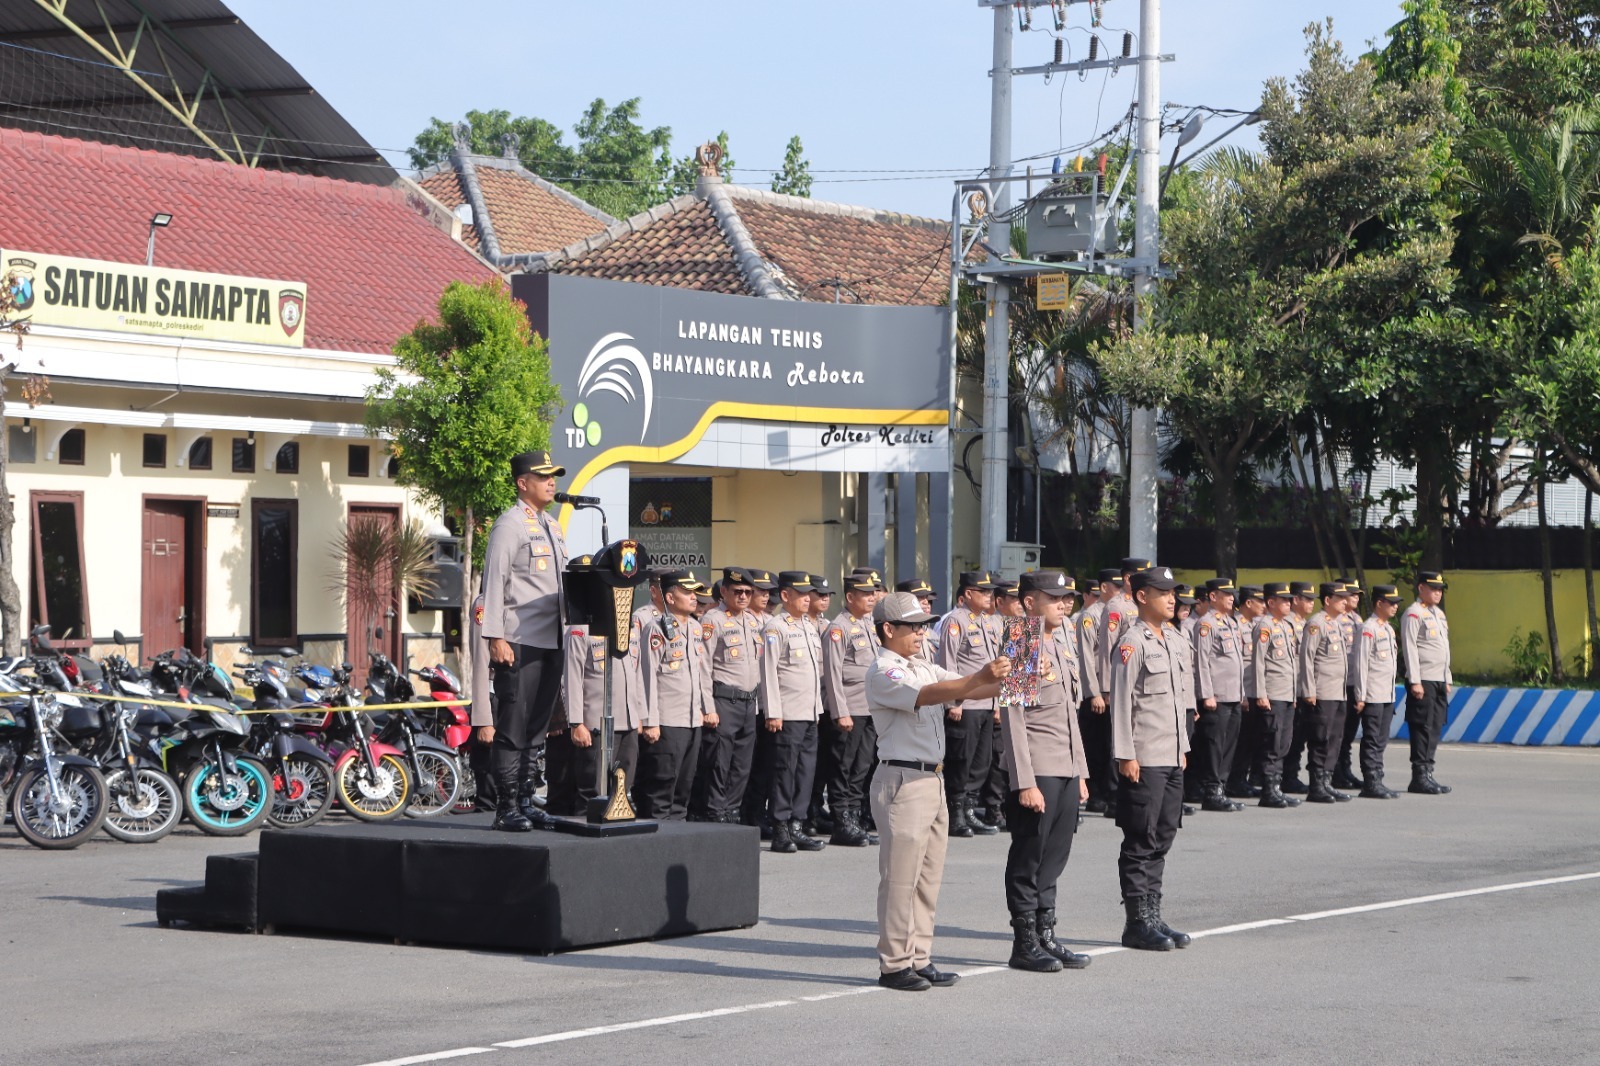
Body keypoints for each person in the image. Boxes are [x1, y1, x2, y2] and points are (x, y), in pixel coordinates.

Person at [866, 591, 1011, 992]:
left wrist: (1012, 678)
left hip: (933, 779)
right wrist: (980, 677)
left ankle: (919, 957)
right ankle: (894, 964)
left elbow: (967, 689)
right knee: (900, 879)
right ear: (888, 629)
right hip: (903, 780)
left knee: (927, 878)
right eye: (912, 626)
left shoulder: (921, 666)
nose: (919, 632)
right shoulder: (884, 670)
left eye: (922, 625)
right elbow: (931, 695)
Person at [1001, 571, 1091, 973]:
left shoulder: (1064, 640)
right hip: (1037, 770)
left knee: (1054, 857)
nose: (1064, 603)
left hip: (1066, 768)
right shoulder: (1021, 638)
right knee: (1029, 857)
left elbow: (1071, 715)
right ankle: (1024, 943)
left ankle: (1046, 935)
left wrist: (1082, 773)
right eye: (1054, 597)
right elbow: (1013, 718)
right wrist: (1024, 782)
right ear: (1029, 602)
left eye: (1067, 598)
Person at [480, 449, 569, 832]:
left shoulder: (553, 526)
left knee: (537, 728)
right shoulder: (510, 525)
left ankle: (526, 800)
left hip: (552, 641)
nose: (552, 482)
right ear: (522, 483)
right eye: (544, 476)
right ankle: (505, 808)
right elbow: (494, 583)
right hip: (518, 640)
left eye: (554, 476)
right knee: (514, 726)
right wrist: (495, 637)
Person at [1108, 565, 1192, 953]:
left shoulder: (1174, 637)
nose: (1173, 598)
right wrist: (1125, 753)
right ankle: (1136, 921)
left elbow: (1178, 700)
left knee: (1162, 834)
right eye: (1164, 592)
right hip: (1141, 755)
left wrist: (1183, 748)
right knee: (1140, 837)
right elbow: (1120, 703)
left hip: (1168, 754)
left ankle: (1151, 915)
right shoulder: (1130, 640)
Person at [557, 594, 648, 815]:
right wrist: (576, 722)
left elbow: (637, 674)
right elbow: (571, 678)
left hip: (627, 721)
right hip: (595, 724)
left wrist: (640, 716)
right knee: (592, 793)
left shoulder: (629, 626)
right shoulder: (581, 627)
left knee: (623, 790)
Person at [635, 571, 715, 820]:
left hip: (692, 720)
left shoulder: (694, 627)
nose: (694, 597)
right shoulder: (656, 628)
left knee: (683, 790)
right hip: (666, 722)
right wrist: (650, 720)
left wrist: (707, 708)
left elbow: (703, 673)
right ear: (670, 597)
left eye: (695, 592)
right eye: (687, 592)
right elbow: (646, 676)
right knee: (661, 791)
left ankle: (676, 846)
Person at [760, 572, 828, 853]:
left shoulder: (810, 627)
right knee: (784, 772)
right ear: (785, 596)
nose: (807, 599)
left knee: (805, 772)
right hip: (787, 713)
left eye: (808, 594)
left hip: (810, 712)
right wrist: (773, 712)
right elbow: (769, 672)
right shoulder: (776, 628)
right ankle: (780, 829)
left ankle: (797, 826)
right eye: (801, 595)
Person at [697, 567, 768, 823]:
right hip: (724, 701)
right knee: (719, 763)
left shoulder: (752, 621)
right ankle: (716, 813)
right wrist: (708, 707)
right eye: (737, 591)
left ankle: (732, 810)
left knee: (742, 765)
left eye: (748, 592)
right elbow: (703, 667)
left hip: (750, 702)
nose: (743, 597)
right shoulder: (712, 620)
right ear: (724, 591)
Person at [934, 571, 1001, 838]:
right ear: (968, 594)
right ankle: (955, 813)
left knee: (981, 761)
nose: (989, 596)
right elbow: (948, 664)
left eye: (990, 592)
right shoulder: (955, 621)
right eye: (983, 592)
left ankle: (970, 808)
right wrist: (954, 702)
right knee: (960, 760)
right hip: (966, 704)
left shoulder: (991, 622)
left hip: (987, 703)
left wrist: (998, 702)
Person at [821, 572, 884, 846]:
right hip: (851, 707)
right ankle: (842, 820)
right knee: (844, 766)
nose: (872, 598)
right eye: (866, 593)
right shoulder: (839, 627)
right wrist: (839, 710)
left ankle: (854, 816)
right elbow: (833, 674)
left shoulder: (871, 625)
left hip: (870, 707)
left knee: (862, 765)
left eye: (874, 593)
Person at [1192, 578, 1245, 813]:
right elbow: (1201, 661)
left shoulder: (1231, 623)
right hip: (1217, 696)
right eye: (1226, 594)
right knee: (1214, 745)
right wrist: (1207, 694)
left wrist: (1242, 693)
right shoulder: (1206, 624)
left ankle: (1221, 787)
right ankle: (1211, 790)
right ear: (1213, 597)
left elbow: (1237, 662)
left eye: (1232, 593)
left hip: (1233, 695)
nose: (1231, 597)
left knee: (1229, 744)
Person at [1297, 582, 1353, 804]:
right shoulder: (1316, 623)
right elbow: (1307, 658)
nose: (1345, 602)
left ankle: (1327, 782)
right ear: (1328, 600)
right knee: (1321, 737)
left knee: (1335, 737)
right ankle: (1316, 784)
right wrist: (1309, 690)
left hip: (1337, 691)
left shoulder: (1337, 624)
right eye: (1340, 598)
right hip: (1322, 691)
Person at [1250, 583, 1303, 809]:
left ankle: (1277, 786)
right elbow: (1258, 662)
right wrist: (1261, 693)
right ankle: (1268, 789)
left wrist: (1293, 693)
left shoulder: (1285, 626)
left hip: (1286, 693)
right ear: (1271, 602)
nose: (1288, 604)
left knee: (1284, 741)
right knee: (1272, 741)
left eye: (1290, 600)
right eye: (1284, 600)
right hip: (1272, 693)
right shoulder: (1264, 626)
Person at [1401, 571, 1454, 795]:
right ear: (1421, 588)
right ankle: (1419, 775)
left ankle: (1428, 771)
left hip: (1439, 678)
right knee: (1422, 726)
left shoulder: (1438, 615)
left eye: (1440, 589)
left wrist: (1447, 676)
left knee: (1435, 725)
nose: (1438, 593)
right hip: (1423, 678)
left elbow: (1444, 648)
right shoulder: (1413, 614)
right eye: (1433, 589)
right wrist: (1415, 680)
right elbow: (1410, 647)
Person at [1350, 585, 1403, 800]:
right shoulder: (1368, 628)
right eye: (1391, 603)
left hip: (1386, 694)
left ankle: (1378, 778)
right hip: (1372, 694)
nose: (1395, 607)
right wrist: (1361, 695)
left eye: (1396, 603)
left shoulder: (1388, 629)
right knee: (1371, 738)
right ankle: (1370, 781)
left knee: (1381, 738)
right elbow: (1361, 664)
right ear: (1379, 603)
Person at [1230, 586, 1266, 799]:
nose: (1264, 605)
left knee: (1252, 739)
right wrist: (1242, 694)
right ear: (1248, 603)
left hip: (1255, 690)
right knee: (1240, 741)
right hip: (1242, 691)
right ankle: (1235, 780)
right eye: (1259, 601)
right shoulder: (1235, 625)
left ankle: (1243, 778)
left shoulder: (1256, 625)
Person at [1282, 580, 1318, 793]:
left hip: (1302, 687)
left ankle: (1291, 774)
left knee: (1299, 736)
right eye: (1307, 599)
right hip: (1290, 687)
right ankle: (1286, 776)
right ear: (1295, 599)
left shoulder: (1306, 624)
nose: (1311, 604)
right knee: (1289, 737)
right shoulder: (1286, 624)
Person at [1333, 580, 1367, 790]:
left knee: (1349, 733)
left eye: (1357, 595)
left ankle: (1345, 769)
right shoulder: (1334, 619)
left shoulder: (1356, 618)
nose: (1355, 598)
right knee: (1337, 732)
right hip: (1339, 683)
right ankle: (1335, 772)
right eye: (1352, 594)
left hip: (1354, 682)